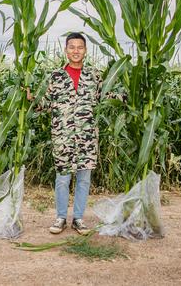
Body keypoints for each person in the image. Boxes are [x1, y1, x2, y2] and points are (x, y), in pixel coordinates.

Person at [28, 32, 123, 235]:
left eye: (80, 47)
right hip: (62, 137)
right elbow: (44, 104)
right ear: (66, 50)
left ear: (85, 51)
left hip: (87, 137)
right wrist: (31, 99)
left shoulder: (94, 75)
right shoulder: (55, 76)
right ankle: (61, 217)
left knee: (84, 179)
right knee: (62, 179)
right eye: (72, 47)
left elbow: (104, 97)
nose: (76, 51)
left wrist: (126, 96)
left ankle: (78, 219)